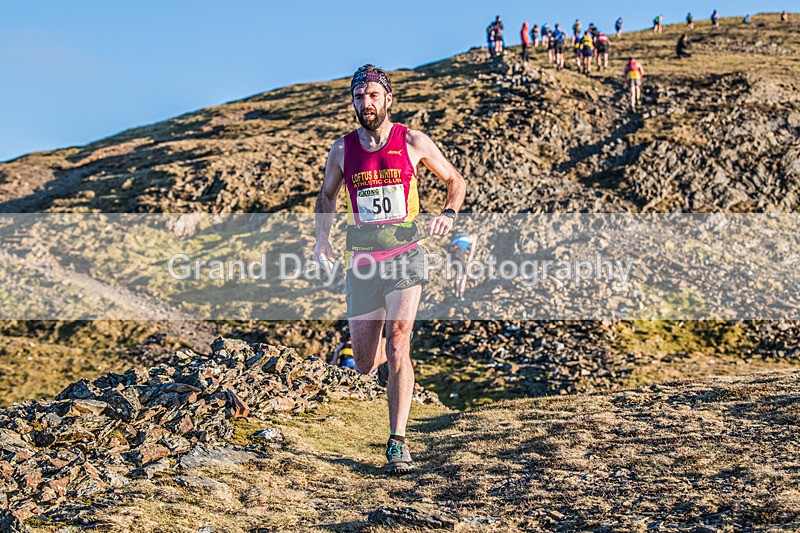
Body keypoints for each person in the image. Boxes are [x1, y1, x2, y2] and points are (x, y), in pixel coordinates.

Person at [313, 64, 466, 474]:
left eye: (373, 96)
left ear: (388, 99)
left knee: (399, 341)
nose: (366, 104)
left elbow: (455, 180)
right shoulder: (342, 150)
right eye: (359, 97)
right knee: (364, 363)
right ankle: (378, 365)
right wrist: (321, 238)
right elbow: (327, 196)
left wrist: (448, 215)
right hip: (362, 261)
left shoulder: (412, 141)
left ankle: (397, 441)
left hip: (406, 254)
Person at [448, 233, 479, 300]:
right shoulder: (474, 238)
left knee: (459, 271)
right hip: (458, 252)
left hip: (450, 252)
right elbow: (472, 252)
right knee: (464, 274)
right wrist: (468, 263)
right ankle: (460, 294)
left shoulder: (462, 235)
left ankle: (455, 289)